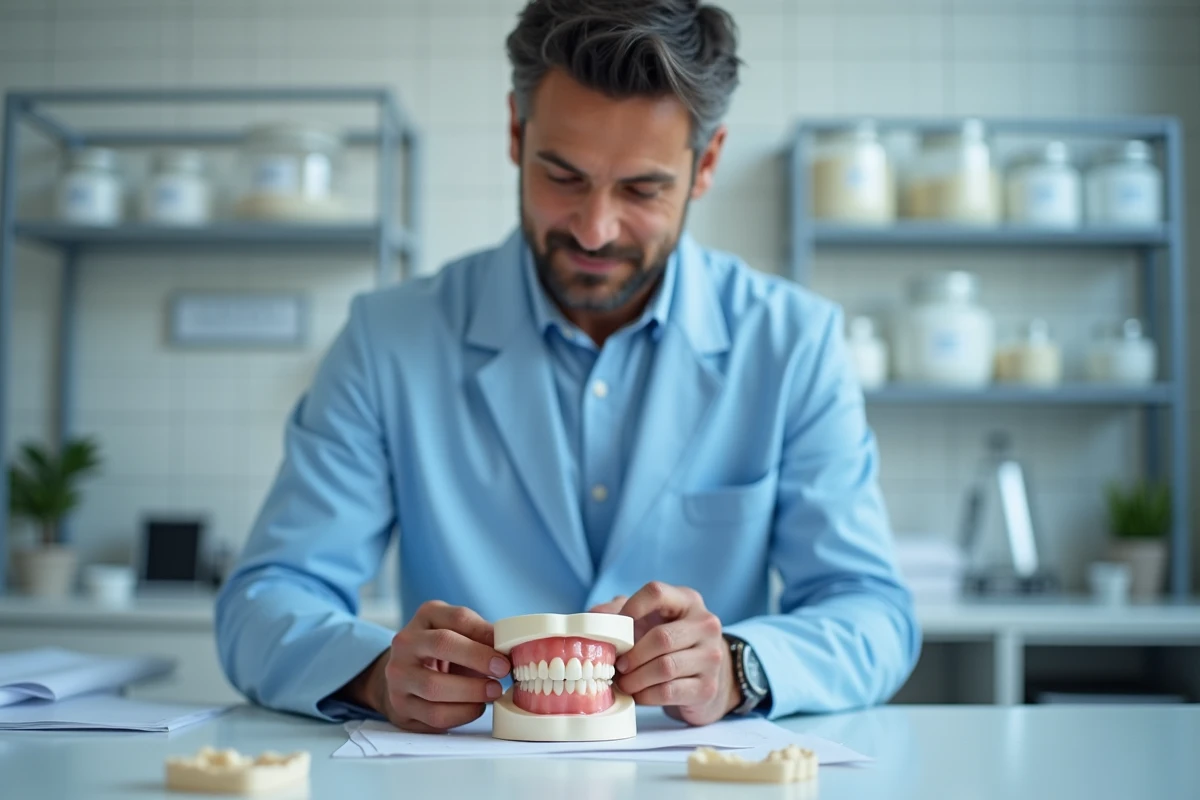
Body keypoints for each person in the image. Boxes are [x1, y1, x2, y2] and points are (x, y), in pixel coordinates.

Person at [215, 0, 920, 734]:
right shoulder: (387, 339)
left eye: (642, 190)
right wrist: (372, 675)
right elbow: (265, 599)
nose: (595, 229)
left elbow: (872, 611)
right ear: (517, 136)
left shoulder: (793, 343)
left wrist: (739, 667)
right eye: (564, 176)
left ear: (705, 165)